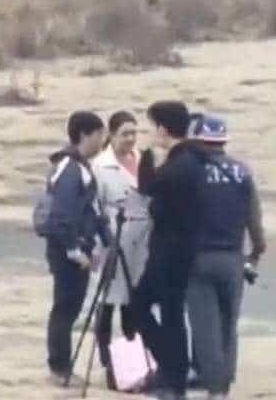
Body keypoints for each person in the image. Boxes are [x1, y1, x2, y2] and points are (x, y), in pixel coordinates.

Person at [186, 114, 267, 400]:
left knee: (205, 327)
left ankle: (214, 388)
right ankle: (226, 385)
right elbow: (255, 221)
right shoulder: (242, 172)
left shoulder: (192, 173)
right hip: (233, 257)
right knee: (228, 325)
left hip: (199, 258)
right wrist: (255, 253)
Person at [131, 101, 205, 400]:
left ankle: (173, 372)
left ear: (162, 128)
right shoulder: (191, 159)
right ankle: (172, 370)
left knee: (150, 306)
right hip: (176, 248)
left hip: (171, 250)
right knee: (165, 310)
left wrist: (147, 155)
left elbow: (148, 188)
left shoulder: (181, 163)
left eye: (153, 127)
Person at [45, 111, 108, 385]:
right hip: (67, 250)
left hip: (76, 247)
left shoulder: (79, 167)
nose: (102, 140)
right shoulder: (71, 169)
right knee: (65, 309)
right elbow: (63, 215)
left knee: (69, 308)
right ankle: (59, 368)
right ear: (85, 134)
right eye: (99, 134)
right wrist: (74, 250)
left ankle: (62, 366)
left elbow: (89, 212)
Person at [93, 110, 151, 389]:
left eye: (133, 133)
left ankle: (131, 360)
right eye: (124, 133)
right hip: (113, 239)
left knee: (133, 301)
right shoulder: (100, 166)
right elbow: (94, 207)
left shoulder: (143, 159)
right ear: (112, 135)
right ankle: (106, 359)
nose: (130, 139)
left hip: (141, 239)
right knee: (107, 302)